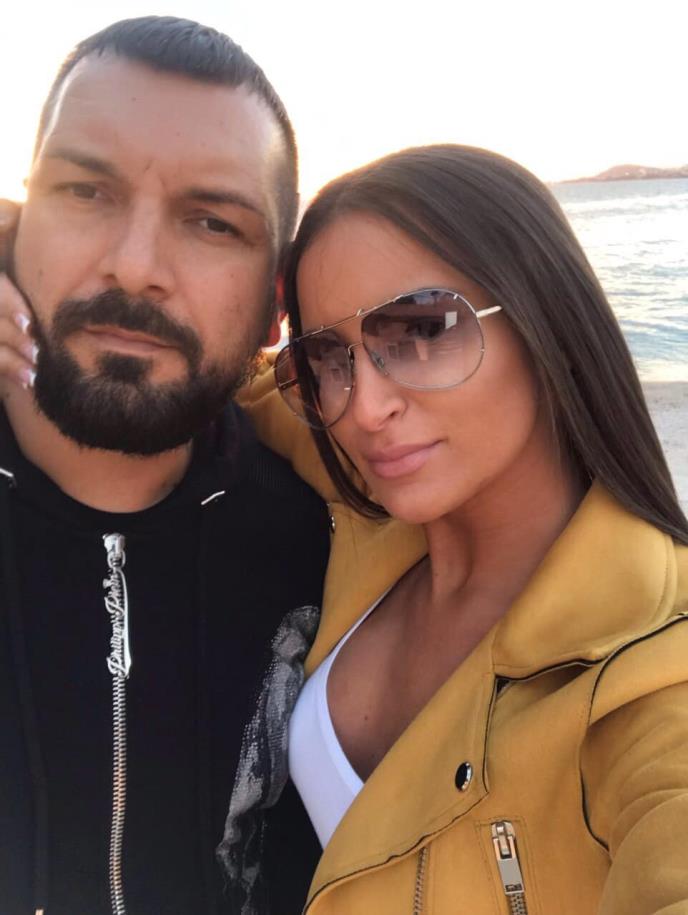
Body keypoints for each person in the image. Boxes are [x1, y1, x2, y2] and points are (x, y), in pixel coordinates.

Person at [246, 145, 688, 913]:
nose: (366, 407)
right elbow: (207, 372)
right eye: (329, 357)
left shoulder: (646, 669)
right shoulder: (365, 499)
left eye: (421, 329)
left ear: (546, 318)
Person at [0, 16, 328, 915]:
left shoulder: (333, 542)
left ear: (276, 304)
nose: (135, 266)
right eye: (85, 190)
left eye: (212, 221)